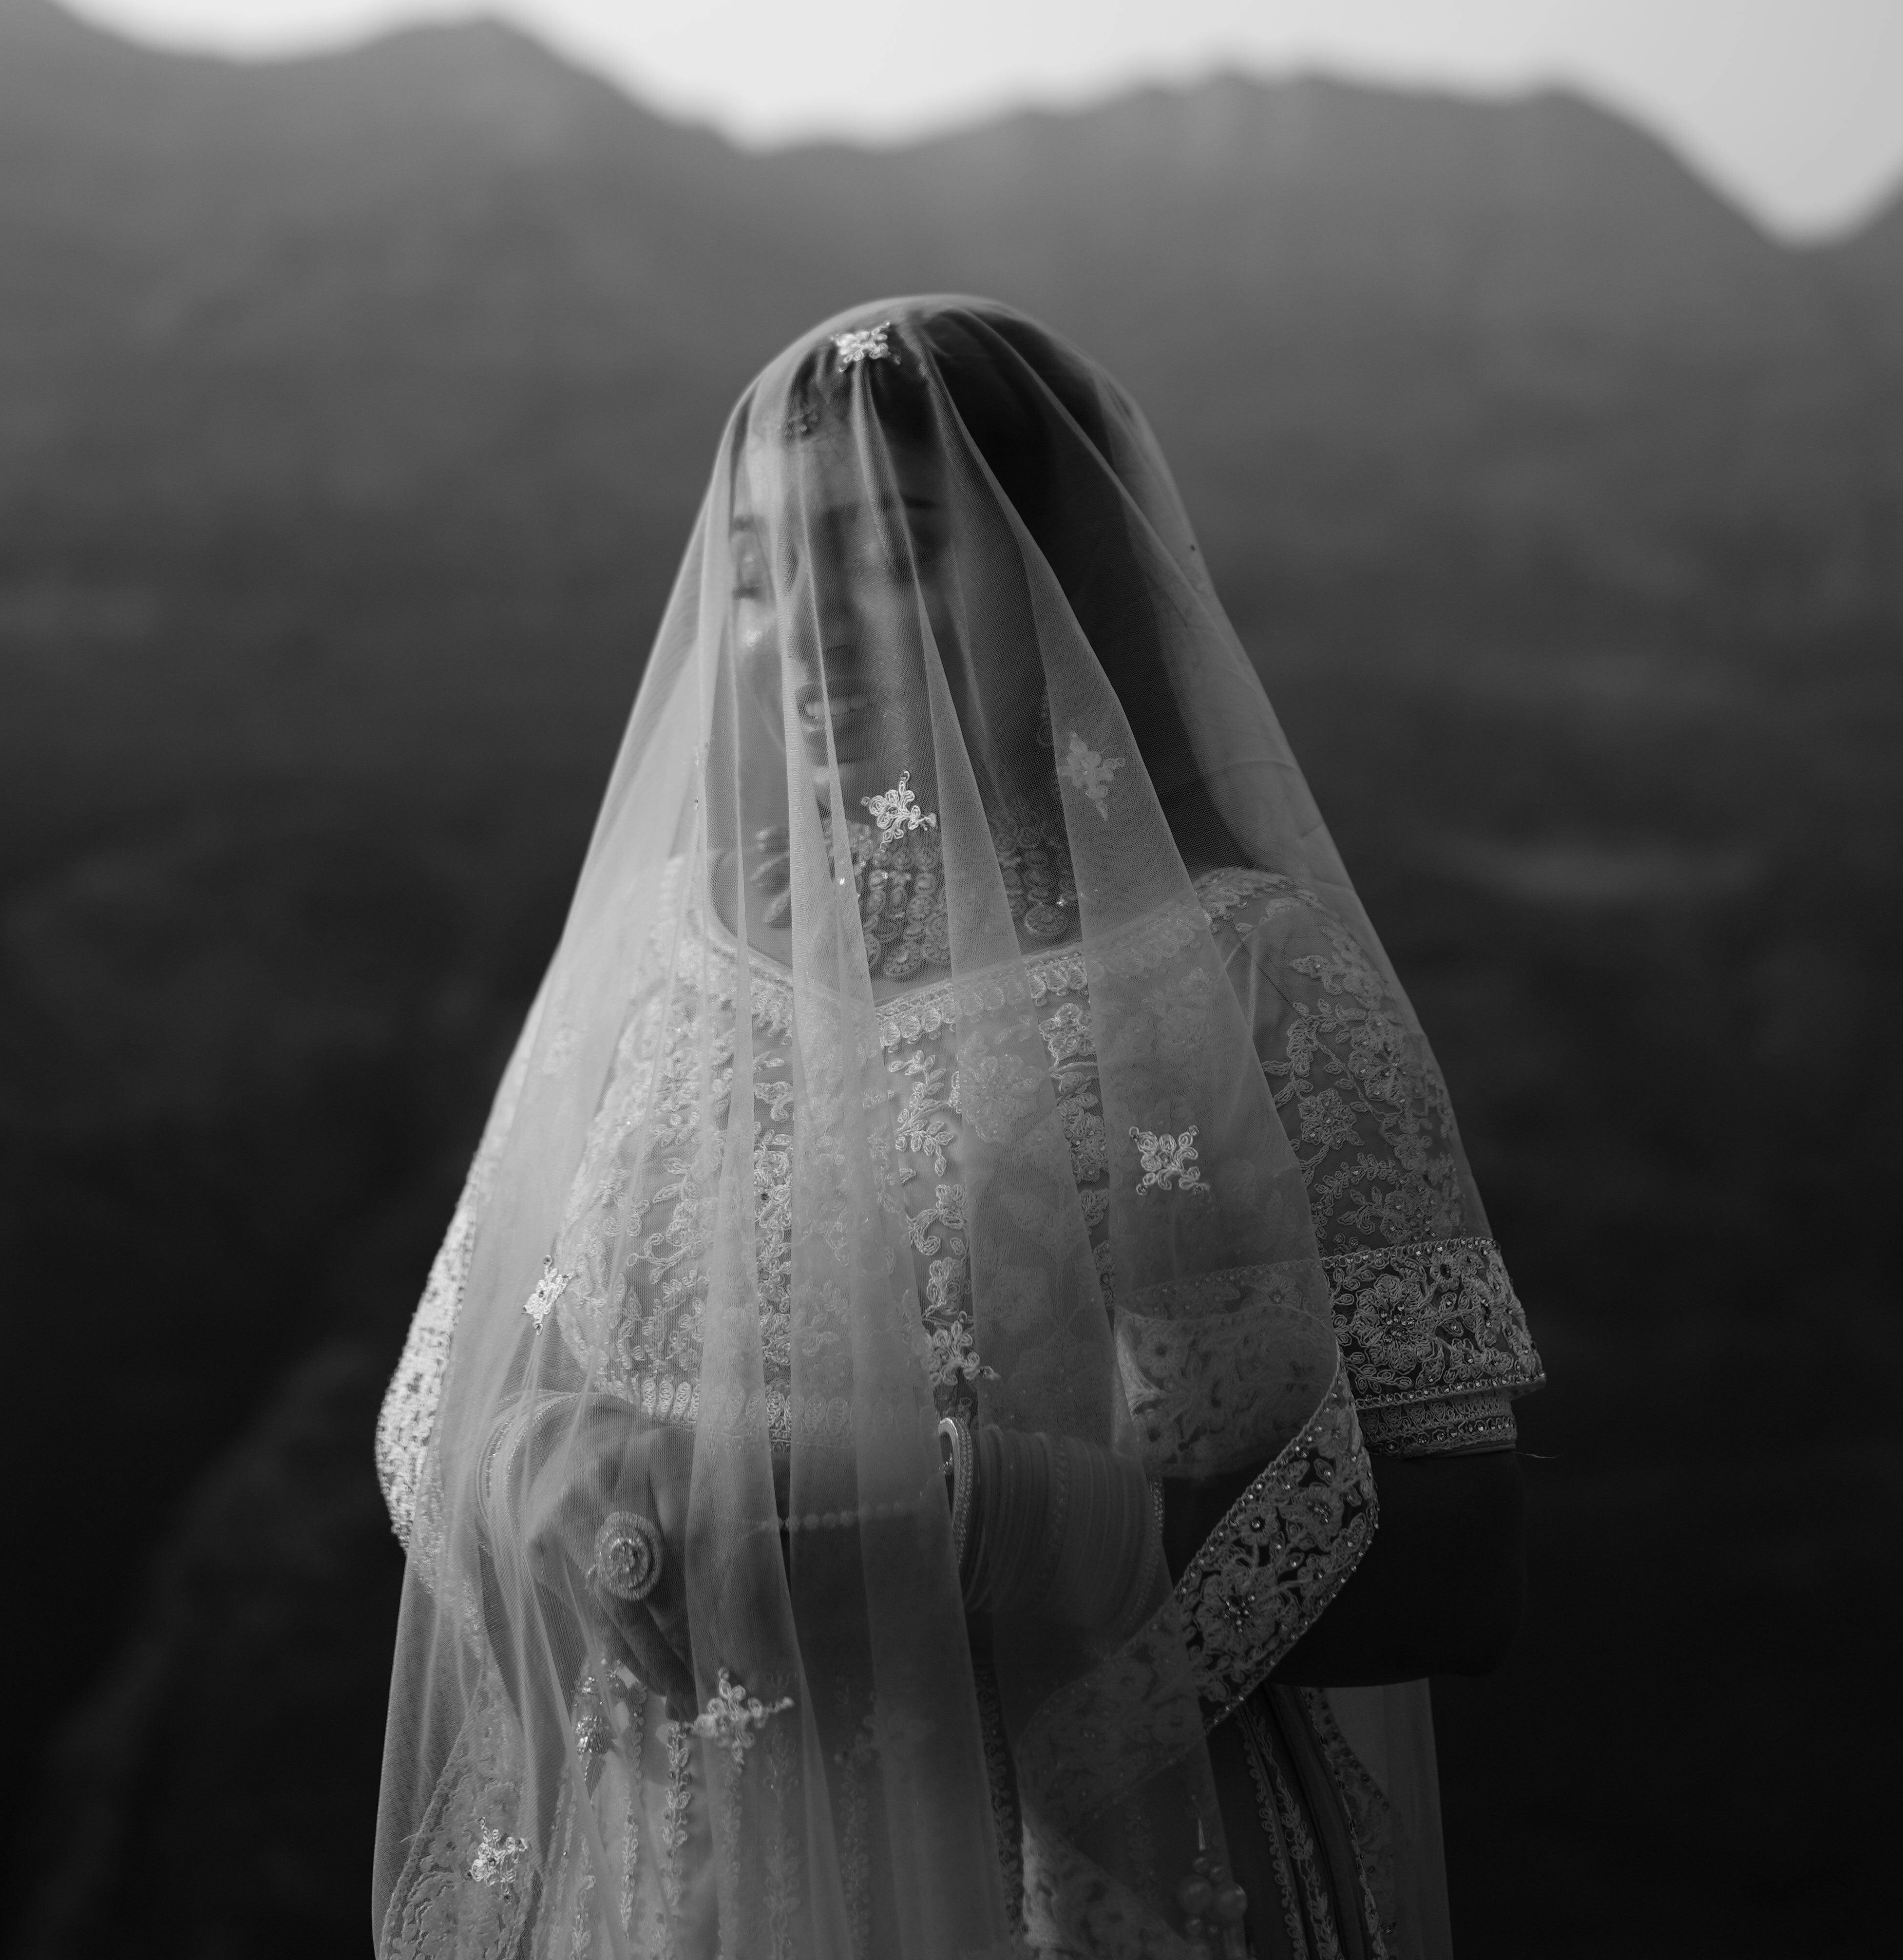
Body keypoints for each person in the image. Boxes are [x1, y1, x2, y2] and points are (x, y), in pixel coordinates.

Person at [373, 301, 1540, 1959]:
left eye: (893, 551)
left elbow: (1460, 1556)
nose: (811, 636)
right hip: (687, 1897)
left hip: (1089, 1894)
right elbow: (466, 1400)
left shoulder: (1248, 979)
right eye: (767, 575)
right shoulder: (660, 968)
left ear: (1062, 584)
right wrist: (542, 1471)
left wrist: (1003, 1530)